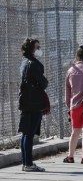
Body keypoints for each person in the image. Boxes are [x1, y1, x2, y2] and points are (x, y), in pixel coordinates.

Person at [18, 39, 49, 172]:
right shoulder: (33, 64)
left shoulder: (24, 62)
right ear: (31, 48)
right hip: (34, 102)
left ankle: (26, 163)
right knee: (29, 133)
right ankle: (29, 164)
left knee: (26, 133)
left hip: (25, 101)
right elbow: (43, 82)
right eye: (37, 47)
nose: (39, 49)